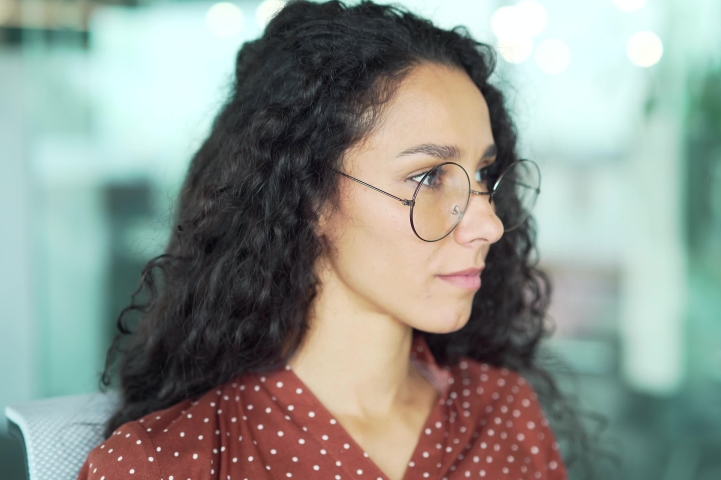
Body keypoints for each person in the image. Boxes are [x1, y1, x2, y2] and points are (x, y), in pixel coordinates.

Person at [77, 1, 587, 479]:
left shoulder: (504, 414)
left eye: (482, 173)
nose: (489, 224)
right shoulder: (164, 463)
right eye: (429, 177)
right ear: (308, 192)